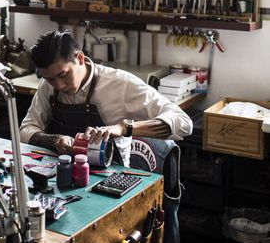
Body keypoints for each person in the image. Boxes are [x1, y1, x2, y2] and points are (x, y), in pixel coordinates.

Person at [19, 30, 193, 163]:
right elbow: (26, 130)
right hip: (60, 170)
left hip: (111, 178)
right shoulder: (48, 86)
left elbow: (184, 123)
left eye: (64, 75)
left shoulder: (121, 84)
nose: (59, 85)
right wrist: (53, 140)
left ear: (79, 58)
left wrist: (124, 128)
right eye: (50, 79)